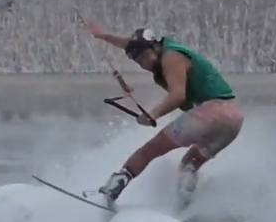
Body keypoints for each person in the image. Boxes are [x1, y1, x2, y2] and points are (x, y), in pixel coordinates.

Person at [83, 23, 243, 205]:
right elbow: (132, 44)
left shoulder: (171, 57)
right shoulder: (162, 49)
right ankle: (186, 206)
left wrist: (153, 114)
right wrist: (104, 36)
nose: (144, 63)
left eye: (145, 57)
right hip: (233, 120)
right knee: (189, 165)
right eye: (139, 61)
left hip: (210, 112)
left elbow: (178, 95)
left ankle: (110, 192)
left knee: (148, 151)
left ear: (156, 47)